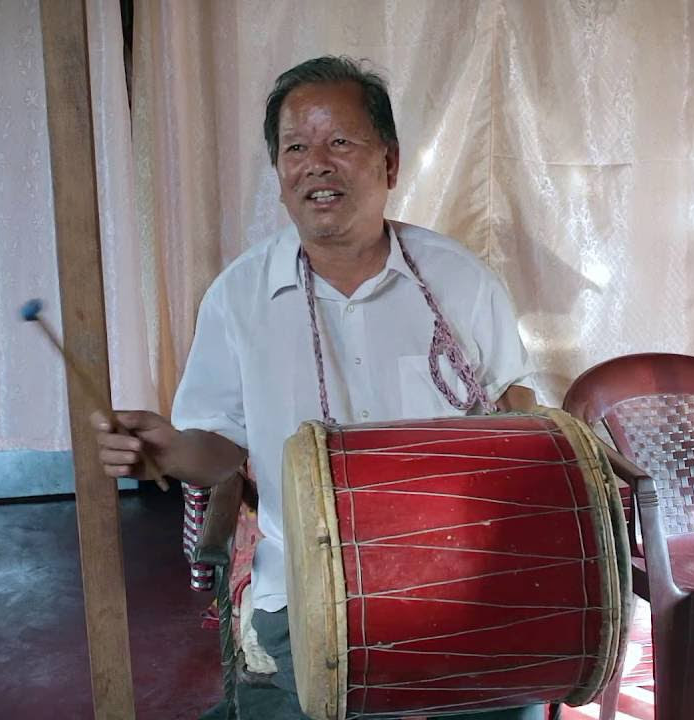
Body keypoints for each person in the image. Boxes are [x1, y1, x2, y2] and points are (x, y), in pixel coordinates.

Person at [92, 56, 542, 720]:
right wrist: (166, 451)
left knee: (513, 694)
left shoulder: (459, 281)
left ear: (388, 164)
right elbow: (217, 451)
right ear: (279, 175)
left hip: (453, 586)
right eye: (296, 148)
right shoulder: (240, 298)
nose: (316, 164)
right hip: (308, 595)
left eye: (340, 143)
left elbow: (516, 400)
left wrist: (519, 427)